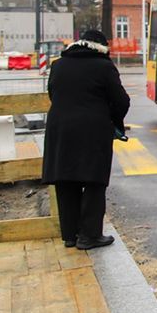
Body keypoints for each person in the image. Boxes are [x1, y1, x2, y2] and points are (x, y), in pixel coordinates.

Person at [42, 30, 130, 250]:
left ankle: (70, 235)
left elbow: (53, 93)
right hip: (93, 129)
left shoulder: (58, 64)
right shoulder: (104, 66)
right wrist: (115, 121)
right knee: (93, 180)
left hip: (60, 129)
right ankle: (89, 236)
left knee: (65, 180)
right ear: (101, 46)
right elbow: (121, 101)